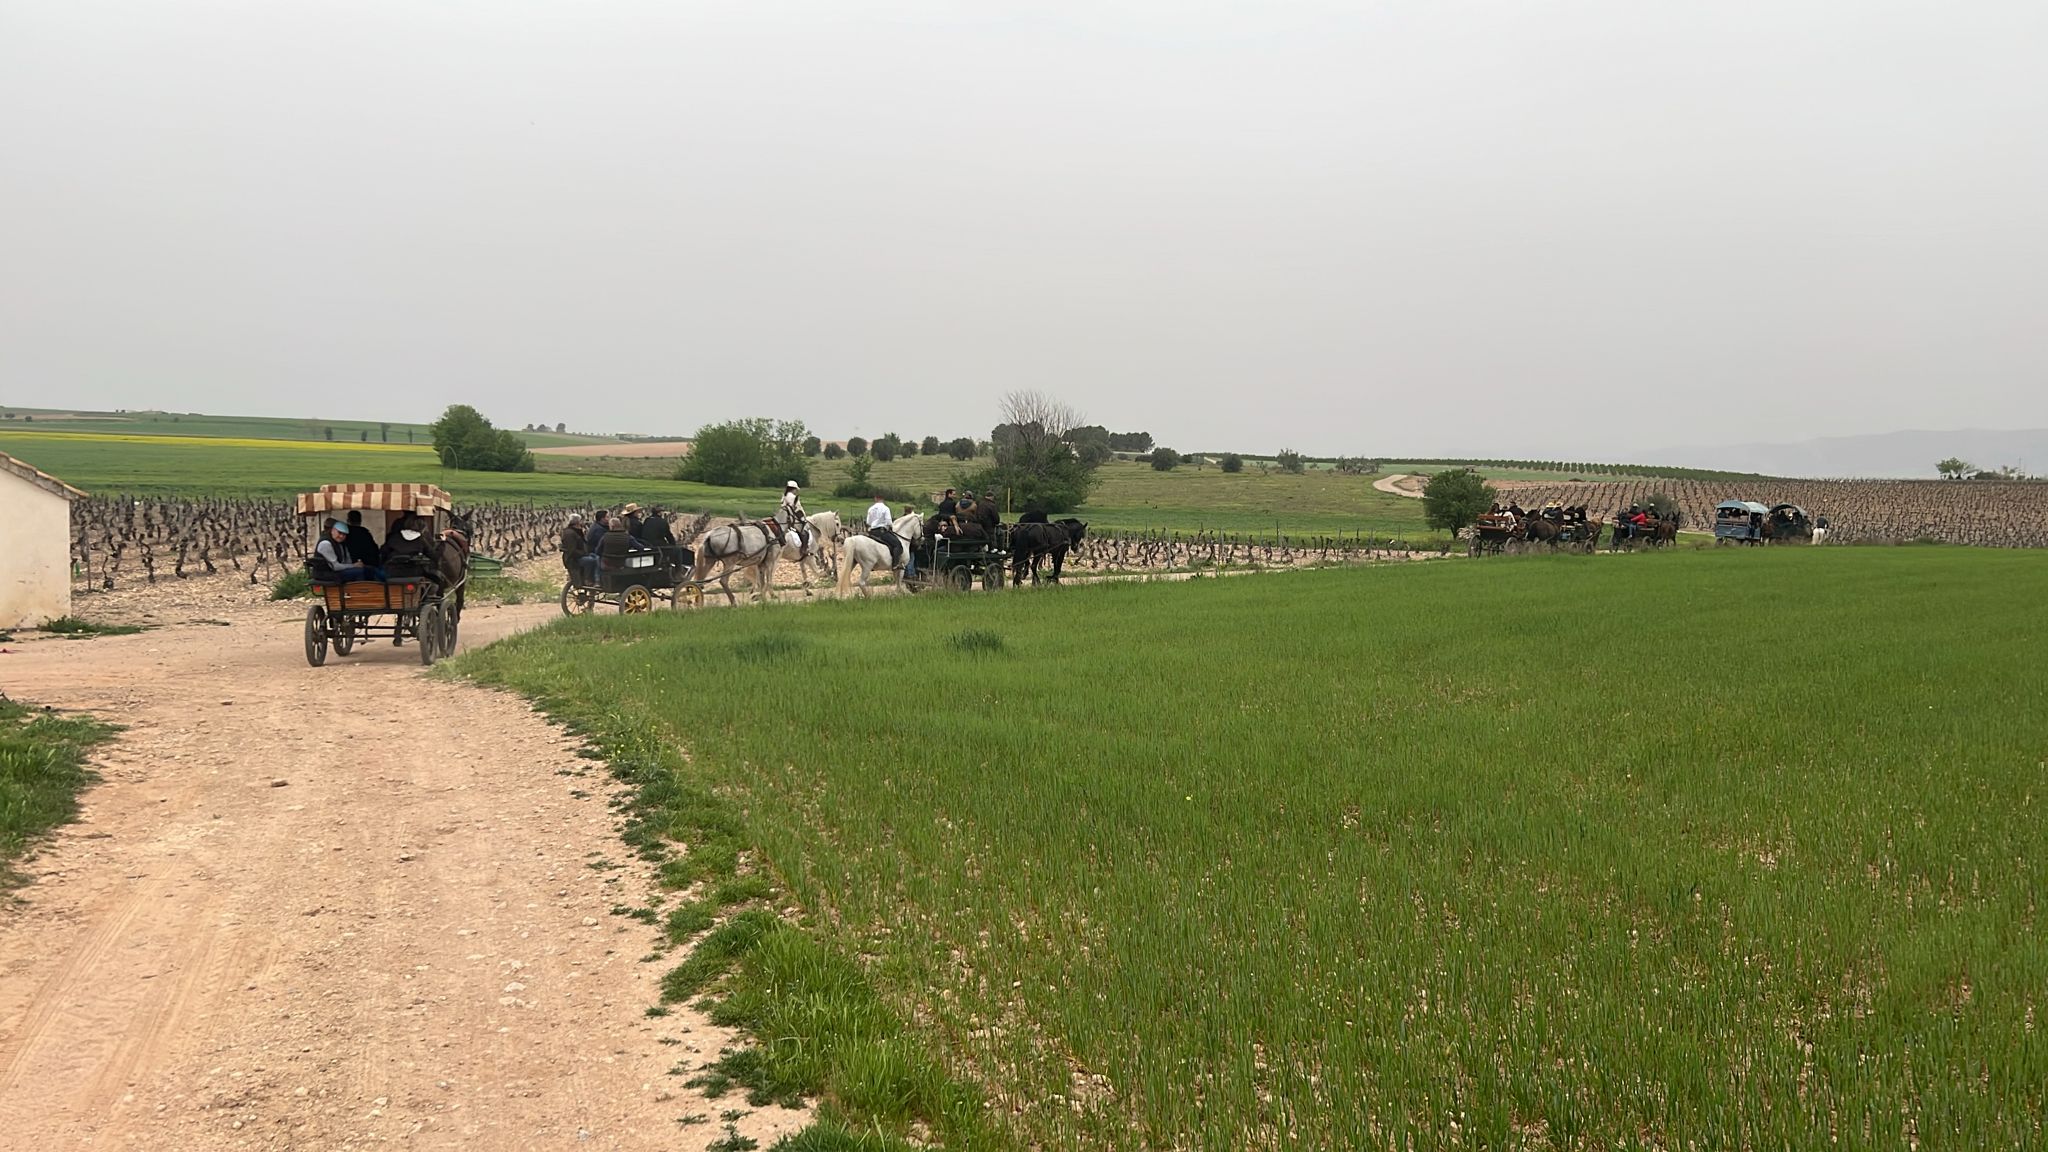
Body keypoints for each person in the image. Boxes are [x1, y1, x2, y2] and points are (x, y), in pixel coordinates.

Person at [313, 520, 381, 581]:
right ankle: (357, 593)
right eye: (339, 533)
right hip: (326, 574)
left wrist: (358, 564)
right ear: (333, 530)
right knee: (360, 572)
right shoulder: (326, 544)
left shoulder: (340, 543)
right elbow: (335, 567)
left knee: (370, 569)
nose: (342, 536)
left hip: (336, 571)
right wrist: (354, 566)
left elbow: (347, 560)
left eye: (344, 534)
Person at [864, 493, 902, 568]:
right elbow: (889, 522)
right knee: (897, 544)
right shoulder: (885, 508)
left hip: (872, 532)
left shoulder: (871, 509)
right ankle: (895, 564)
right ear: (883, 499)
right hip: (881, 532)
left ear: (875, 499)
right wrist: (891, 526)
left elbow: (868, 522)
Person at [777, 481, 810, 555]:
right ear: (793, 489)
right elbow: (797, 509)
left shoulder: (784, 496)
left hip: (782, 515)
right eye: (795, 489)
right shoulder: (792, 497)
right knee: (804, 532)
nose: (796, 491)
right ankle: (804, 549)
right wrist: (802, 519)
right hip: (790, 516)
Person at [560, 513, 589, 581]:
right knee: (592, 561)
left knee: (595, 557)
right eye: (581, 521)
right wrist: (584, 553)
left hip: (578, 556)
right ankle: (588, 579)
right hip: (573, 559)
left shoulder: (575, 531)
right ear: (577, 522)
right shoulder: (569, 534)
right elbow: (572, 551)